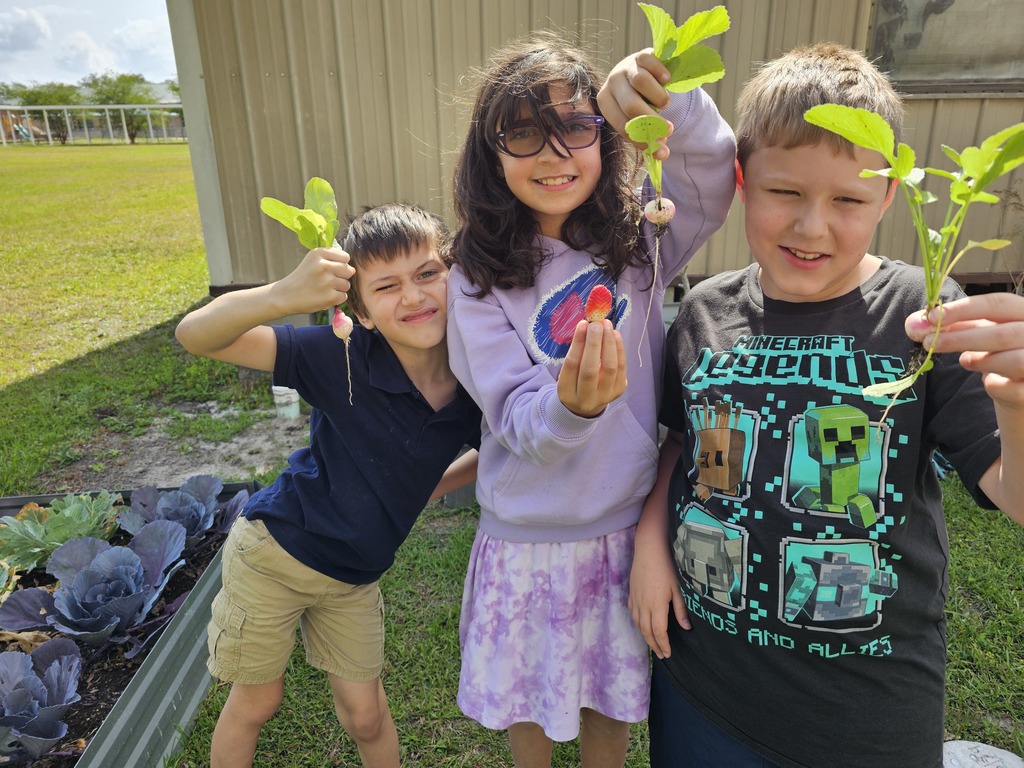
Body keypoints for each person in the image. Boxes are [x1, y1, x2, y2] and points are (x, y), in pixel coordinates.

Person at [626, 42, 1024, 768]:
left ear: (888, 198)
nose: (813, 227)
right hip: (702, 685)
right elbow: (682, 443)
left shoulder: (921, 312)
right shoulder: (705, 313)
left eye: (847, 200)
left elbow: (1012, 489)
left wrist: (1017, 407)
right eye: (785, 193)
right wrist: (650, 544)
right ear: (743, 181)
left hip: (865, 709)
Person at [444, 35, 736, 768]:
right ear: (492, 154)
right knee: (531, 722)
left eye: (575, 127)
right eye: (522, 133)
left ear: (606, 138)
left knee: (610, 716)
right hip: (524, 540)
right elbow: (512, 415)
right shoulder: (472, 278)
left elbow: (710, 178)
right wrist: (571, 408)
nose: (553, 154)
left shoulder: (640, 240)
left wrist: (663, 94)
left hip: (621, 533)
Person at [174, 203, 481, 768]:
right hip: (275, 553)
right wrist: (281, 296)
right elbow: (196, 335)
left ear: (454, 274)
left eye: (427, 274)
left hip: (354, 578)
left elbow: (502, 454)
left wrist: (427, 488)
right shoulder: (336, 355)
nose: (412, 297)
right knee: (258, 701)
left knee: (366, 714)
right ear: (359, 311)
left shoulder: (474, 379)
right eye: (386, 287)